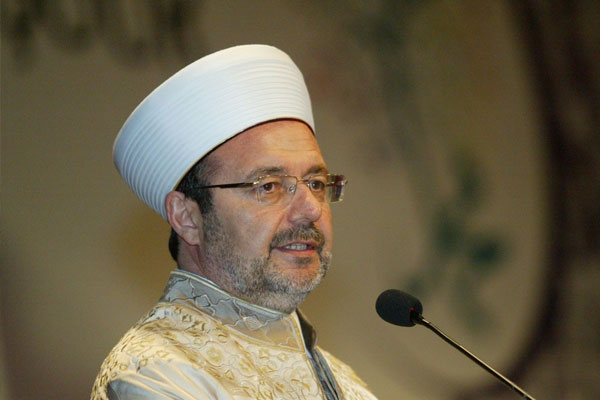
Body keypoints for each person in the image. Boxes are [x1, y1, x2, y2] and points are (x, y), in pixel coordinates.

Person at [91, 44, 377, 400]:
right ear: (187, 218)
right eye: (268, 186)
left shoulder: (346, 382)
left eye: (316, 183)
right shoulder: (157, 374)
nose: (310, 209)